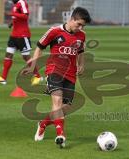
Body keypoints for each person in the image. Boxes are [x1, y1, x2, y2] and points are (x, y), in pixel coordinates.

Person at [23, 7, 91, 148]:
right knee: (57, 102)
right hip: (54, 71)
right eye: (79, 24)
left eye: (83, 25)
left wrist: (81, 65)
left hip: (71, 74)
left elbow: (81, 51)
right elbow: (39, 47)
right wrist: (32, 66)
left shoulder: (81, 35)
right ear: (71, 19)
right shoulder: (54, 31)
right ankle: (61, 135)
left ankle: (43, 123)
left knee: (65, 107)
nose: (81, 27)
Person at [0, 0, 41, 85]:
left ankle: (37, 76)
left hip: (23, 35)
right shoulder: (15, 4)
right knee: (8, 55)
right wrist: (12, 23)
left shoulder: (22, 2)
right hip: (14, 35)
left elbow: (25, 16)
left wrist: (12, 14)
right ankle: (3, 78)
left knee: (26, 56)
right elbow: (17, 18)